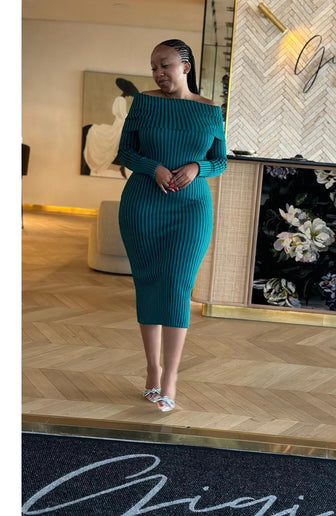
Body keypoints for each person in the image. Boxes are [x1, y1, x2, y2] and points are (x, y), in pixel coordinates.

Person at [117, 39, 227, 412]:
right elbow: (126, 151)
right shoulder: (144, 103)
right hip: (143, 206)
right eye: (153, 67)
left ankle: (171, 378)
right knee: (149, 283)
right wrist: (153, 168)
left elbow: (220, 161)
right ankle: (153, 369)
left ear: (185, 66)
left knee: (179, 286)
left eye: (164, 65)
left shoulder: (210, 110)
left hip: (191, 208)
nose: (158, 73)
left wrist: (198, 167)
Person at [83, 78, 138, 178]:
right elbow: (121, 113)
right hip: (120, 122)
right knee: (123, 135)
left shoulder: (120, 98)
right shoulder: (121, 99)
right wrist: (129, 118)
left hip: (120, 120)